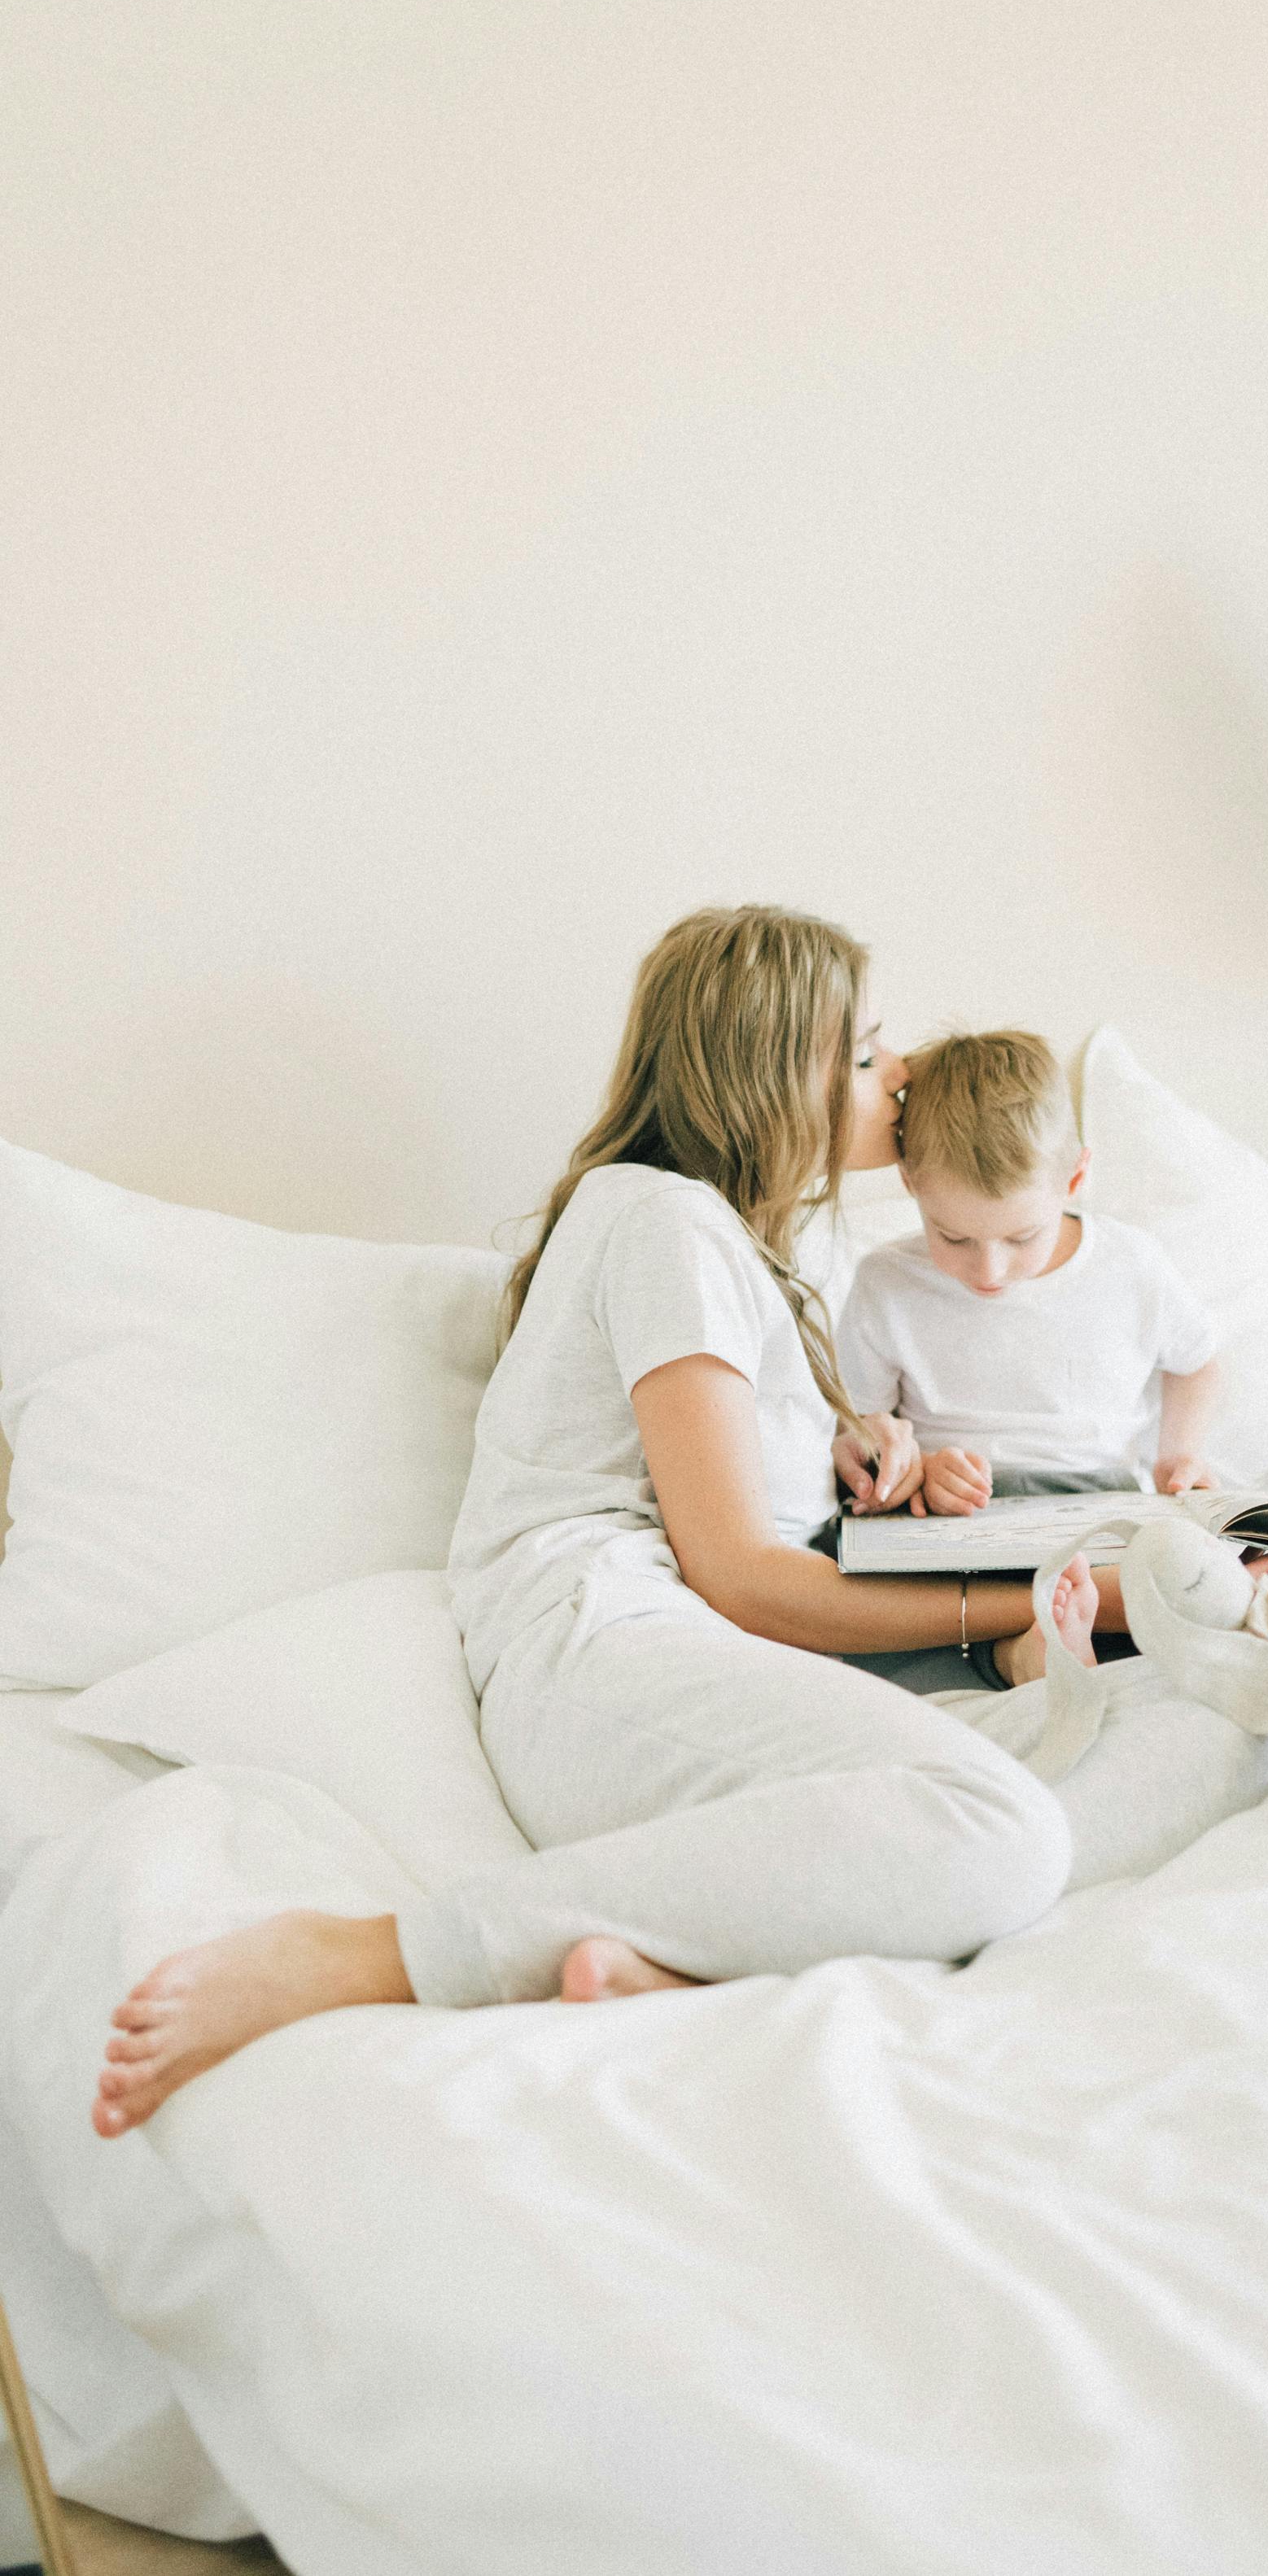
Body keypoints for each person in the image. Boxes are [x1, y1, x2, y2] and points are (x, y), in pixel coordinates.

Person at [92, 908, 1111, 2140]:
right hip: (602, 1647)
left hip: (674, 1658)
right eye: (861, 1055)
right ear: (769, 1073)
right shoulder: (660, 1218)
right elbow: (740, 1575)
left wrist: (860, 1466)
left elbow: (740, 1510)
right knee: (1001, 1829)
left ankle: (662, 1969)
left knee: (1137, 1737)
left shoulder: (734, 1246)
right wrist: (1039, 1591)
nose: (897, 1078)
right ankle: (378, 1954)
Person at [833, 1029, 1222, 1524]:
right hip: (946, 1510)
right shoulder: (885, 1283)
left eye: (1021, 1238)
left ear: (1074, 1181)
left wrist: (1178, 1454)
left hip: (1103, 1497)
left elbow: (1197, 1363)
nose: (988, 1272)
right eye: (953, 1237)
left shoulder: (1132, 1264)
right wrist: (916, 1469)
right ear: (910, 1183)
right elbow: (863, 1429)